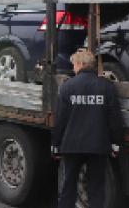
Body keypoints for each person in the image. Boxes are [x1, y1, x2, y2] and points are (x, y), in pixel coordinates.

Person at [51, 49, 124, 208]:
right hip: (98, 146)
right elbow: (115, 119)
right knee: (96, 189)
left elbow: (60, 120)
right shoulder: (107, 87)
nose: (73, 68)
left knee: (68, 187)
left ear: (81, 64)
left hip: (72, 146)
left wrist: (55, 145)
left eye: (74, 65)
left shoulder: (67, 87)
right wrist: (116, 144)